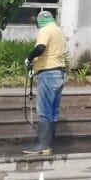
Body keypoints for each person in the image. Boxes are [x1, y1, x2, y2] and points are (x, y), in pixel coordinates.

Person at [23, 10, 67, 155]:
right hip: (59, 73)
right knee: (53, 110)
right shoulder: (58, 31)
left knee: (44, 110)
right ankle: (48, 143)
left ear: (40, 21)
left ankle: (43, 145)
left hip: (48, 74)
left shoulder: (45, 30)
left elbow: (40, 48)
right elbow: (52, 52)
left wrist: (29, 59)